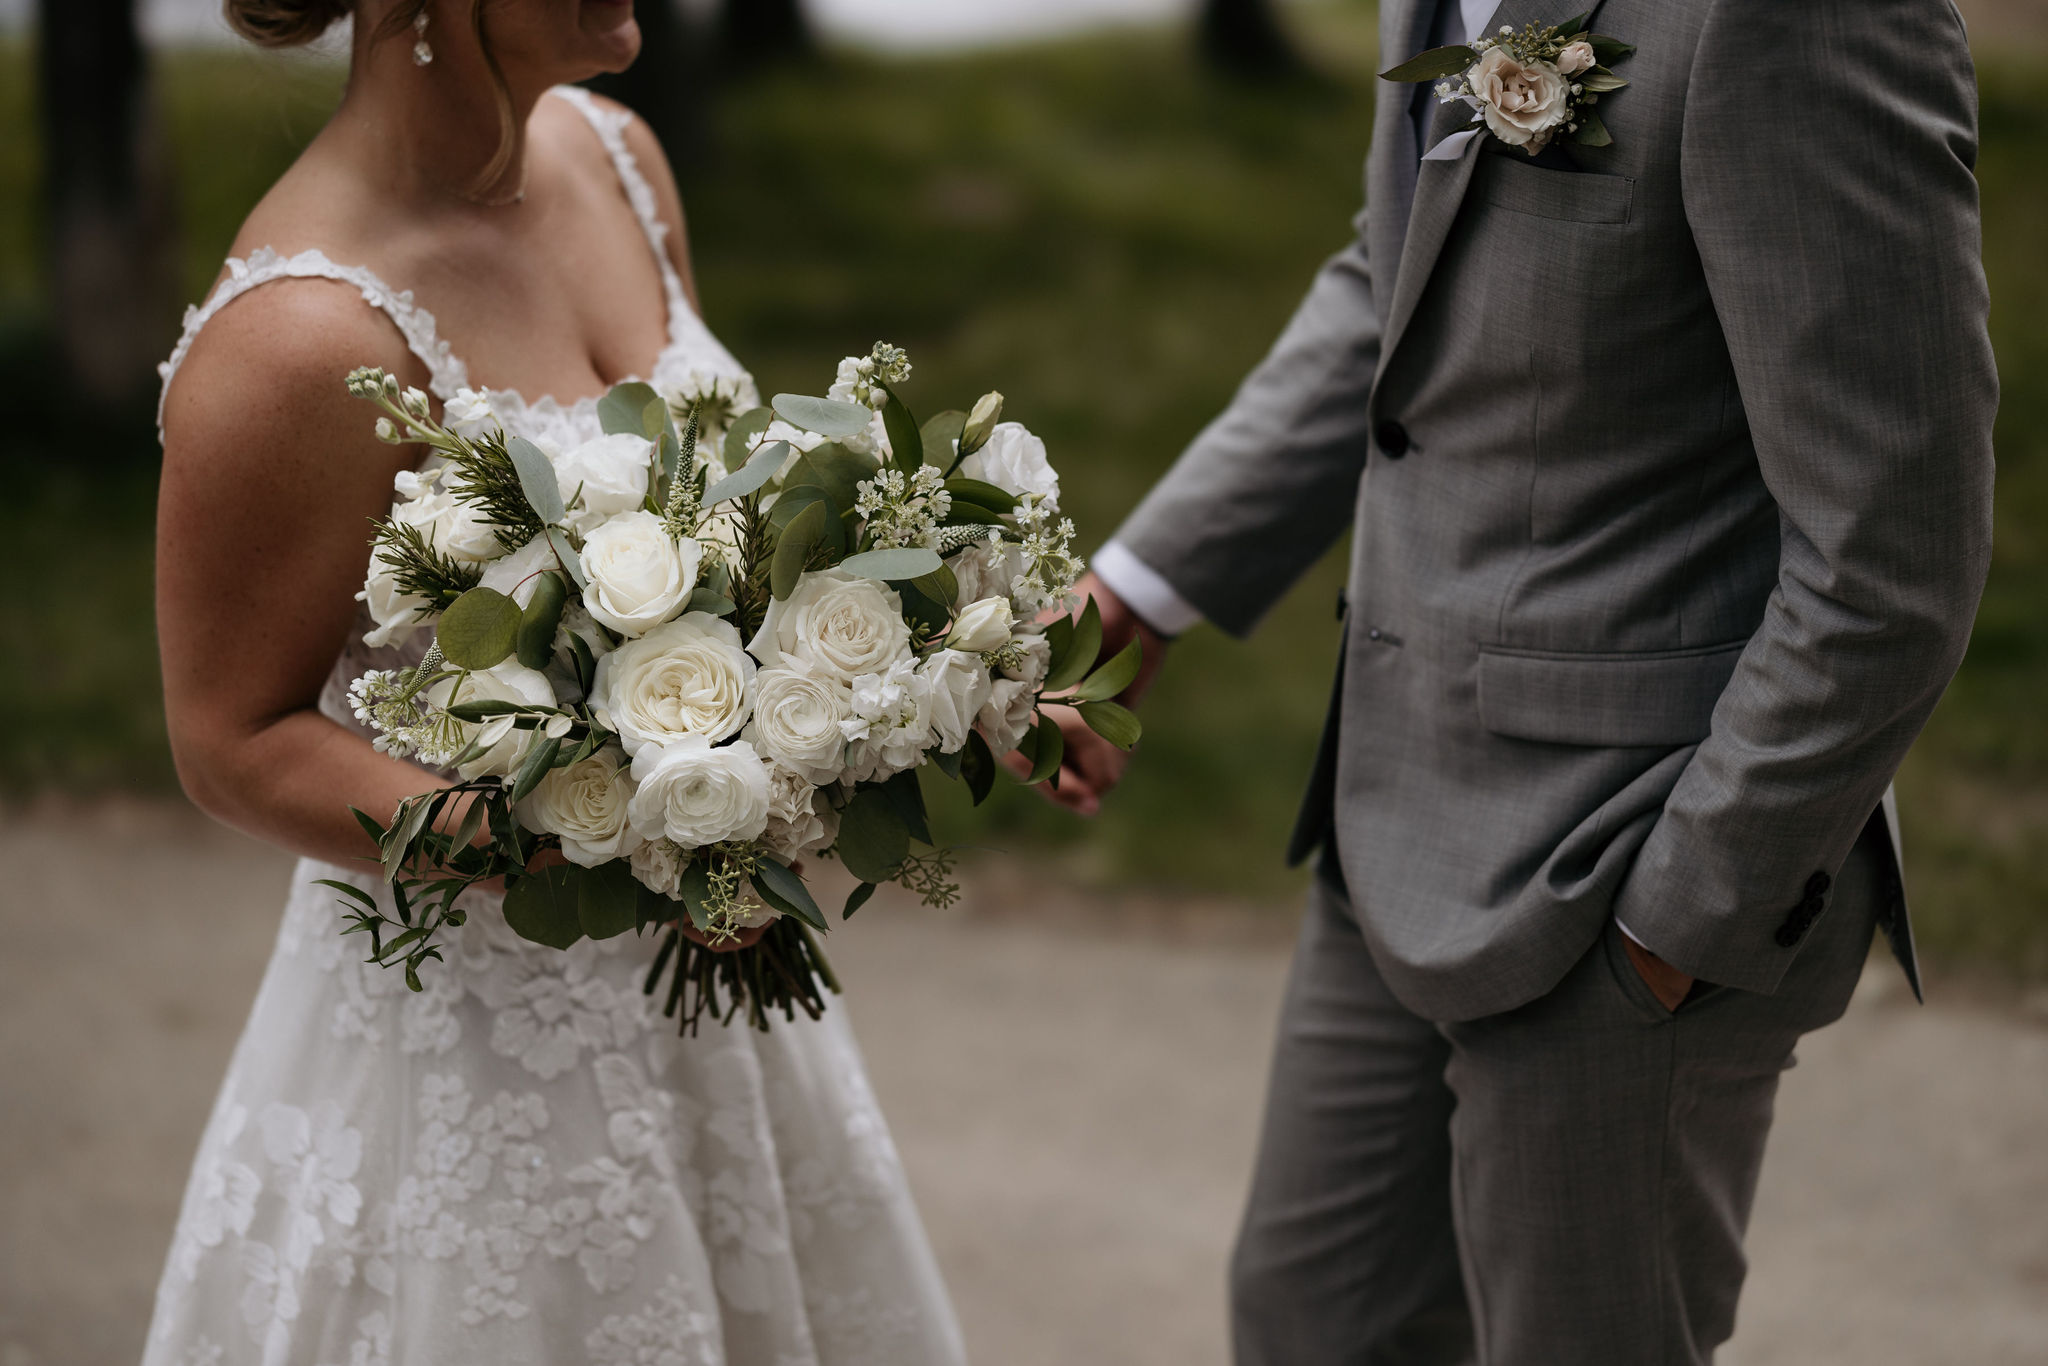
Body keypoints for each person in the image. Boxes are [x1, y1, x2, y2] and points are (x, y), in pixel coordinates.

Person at [1036, 0, 1997, 1361]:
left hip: (1626, 863)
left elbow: (1895, 553)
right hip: (1392, 804)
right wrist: (1145, 584)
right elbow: (1402, 271)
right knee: (1314, 1322)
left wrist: (1680, 920)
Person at [147, 3, 966, 1362]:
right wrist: (579, 839)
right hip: (476, 1058)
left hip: (716, 1005)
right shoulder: (296, 339)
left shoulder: (621, 163)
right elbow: (230, 738)